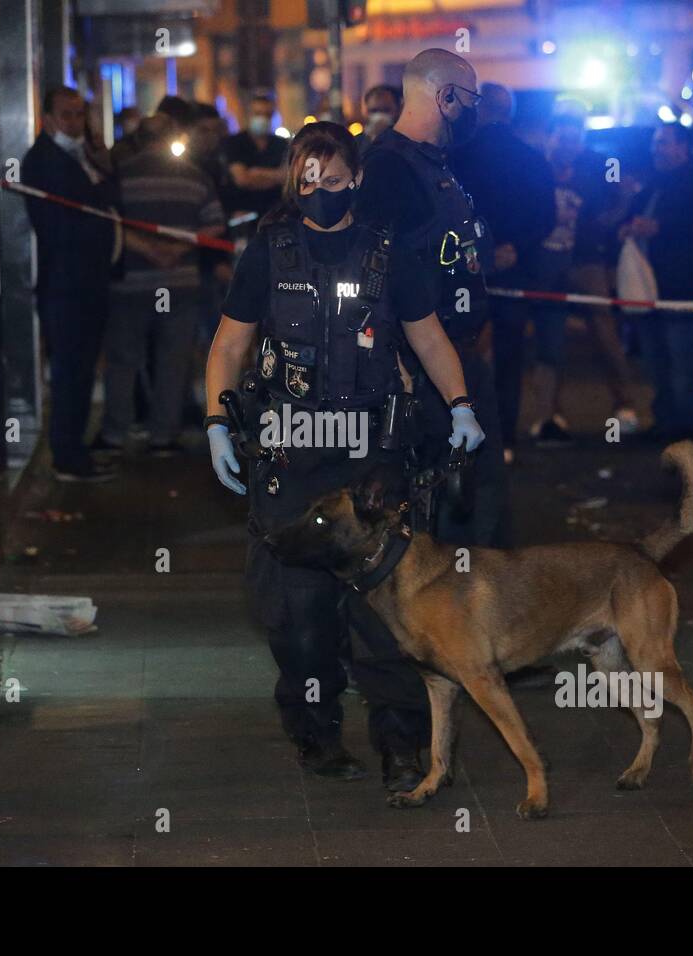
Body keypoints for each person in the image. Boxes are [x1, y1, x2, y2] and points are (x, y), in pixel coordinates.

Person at [203, 122, 486, 790]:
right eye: (307, 182)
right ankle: (316, 733)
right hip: (291, 460)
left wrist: (462, 404)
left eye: (332, 181)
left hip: (372, 467)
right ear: (292, 181)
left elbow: (430, 340)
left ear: (356, 178)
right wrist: (217, 419)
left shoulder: (390, 253)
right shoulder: (269, 251)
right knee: (296, 621)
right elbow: (228, 344)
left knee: (389, 620)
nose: (319, 193)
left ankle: (402, 746)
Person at [354, 47, 507, 547]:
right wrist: (397, 363)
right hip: (422, 365)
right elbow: (371, 278)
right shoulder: (388, 169)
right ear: (445, 97)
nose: (473, 112)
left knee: (473, 500)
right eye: (469, 100)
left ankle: (474, 616)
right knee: (443, 510)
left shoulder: (433, 164)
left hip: (454, 357)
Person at [97, 111, 225, 455]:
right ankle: (162, 436)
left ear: (139, 139)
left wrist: (149, 250)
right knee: (173, 359)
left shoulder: (120, 176)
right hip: (179, 283)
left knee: (123, 359)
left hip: (132, 284)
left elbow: (109, 223)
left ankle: (114, 434)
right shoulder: (195, 177)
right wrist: (177, 250)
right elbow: (214, 225)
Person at [450, 83, 556, 464]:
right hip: (512, 272)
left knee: (460, 353)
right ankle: (504, 437)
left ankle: (464, 432)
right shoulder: (531, 159)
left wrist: (479, 250)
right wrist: (516, 248)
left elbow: (450, 211)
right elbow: (547, 216)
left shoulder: (458, 157)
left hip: (466, 272)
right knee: (509, 358)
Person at [20, 86, 120, 481]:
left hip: (89, 282)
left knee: (81, 370)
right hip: (67, 285)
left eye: (80, 115)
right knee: (70, 372)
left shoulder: (82, 155)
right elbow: (64, 224)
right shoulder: (45, 160)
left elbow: (110, 197)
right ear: (47, 117)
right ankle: (67, 455)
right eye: (66, 115)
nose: (74, 123)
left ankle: (75, 448)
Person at [530, 109, 643, 445]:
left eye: (575, 140)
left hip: (586, 259)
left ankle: (625, 405)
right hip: (546, 261)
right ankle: (548, 414)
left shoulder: (596, 165)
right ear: (551, 137)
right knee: (549, 339)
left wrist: (613, 224)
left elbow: (622, 196)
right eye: (563, 138)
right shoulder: (535, 168)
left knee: (604, 331)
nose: (569, 146)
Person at [620, 122, 693, 443]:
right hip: (651, 288)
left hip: (679, 289)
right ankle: (665, 423)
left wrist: (659, 228)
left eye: (663, 143)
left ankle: (684, 429)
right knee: (656, 359)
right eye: (655, 143)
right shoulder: (654, 185)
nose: (656, 149)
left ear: (682, 147)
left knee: (681, 361)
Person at [223, 93, 288, 221]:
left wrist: (255, 172)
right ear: (248, 115)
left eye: (267, 115)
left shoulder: (281, 144)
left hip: (275, 214)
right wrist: (275, 176)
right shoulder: (235, 143)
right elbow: (242, 179)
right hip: (243, 215)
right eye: (258, 114)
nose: (263, 118)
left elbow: (286, 177)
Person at [354, 83, 403, 153]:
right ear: (366, 112)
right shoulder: (355, 143)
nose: (379, 116)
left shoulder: (408, 141)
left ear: (399, 110)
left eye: (386, 110)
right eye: (374, 111)